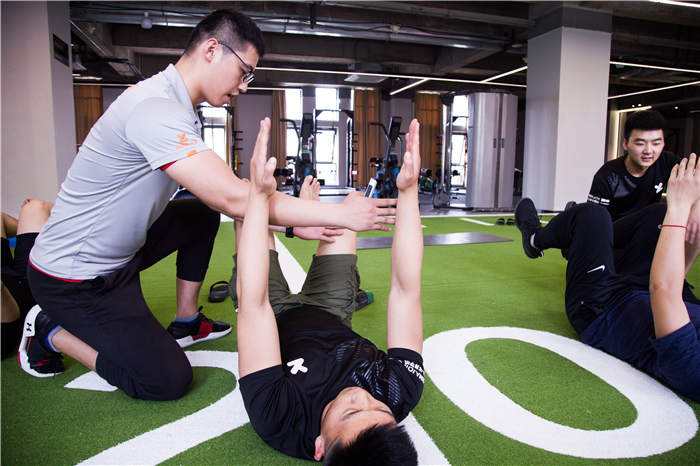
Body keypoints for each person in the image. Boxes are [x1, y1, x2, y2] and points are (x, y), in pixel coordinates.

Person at [22, 9, 395, 401]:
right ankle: (48, 330)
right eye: (244, 72)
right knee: (166, 381)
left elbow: (219, 196)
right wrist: (340, 214)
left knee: (199, 214)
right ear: (212, 50)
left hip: (120, 256)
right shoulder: (155, 108)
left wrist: (291, 224)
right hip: (75, 278)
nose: (244, 86)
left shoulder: (181, 109)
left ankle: (186, 320)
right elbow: (234, 196)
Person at [236, 119, 425, 464]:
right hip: (330, 312)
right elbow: (406, 290)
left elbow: (254, 304)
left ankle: (293, 211)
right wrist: (409, 191)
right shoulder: (399, 391)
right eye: (380, 409)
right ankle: (303, 212)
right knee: (350, 208)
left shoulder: (280, 416)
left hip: (272, 317)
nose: (362, 396)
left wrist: (260, 198)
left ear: (320, 446)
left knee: (246, 206)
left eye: (351, 412)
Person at [514, 154, 700, 401]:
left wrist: (681, 208)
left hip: (601, 307)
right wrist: (696, 216)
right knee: (658, 214)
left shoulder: (693, 372)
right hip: (643, 289)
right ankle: (577, 240)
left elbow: (664, 289)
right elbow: (676, 281)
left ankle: (535, 239)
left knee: (592, 216)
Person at [587, 110, 679, 221]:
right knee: (659, 210)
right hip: (614, 229)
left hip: (649, 226)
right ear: (626, 144)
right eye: (640, 143)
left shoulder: (666, 161)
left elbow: (694, 177)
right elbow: (594, 221)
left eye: (656, 143)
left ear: (663, 144)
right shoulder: (608, 176)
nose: (648, 151)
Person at [1, 199, 55, 366]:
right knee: (40, 209)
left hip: (8, 273)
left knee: (34, 207)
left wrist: (26, 226)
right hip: (15, 312)